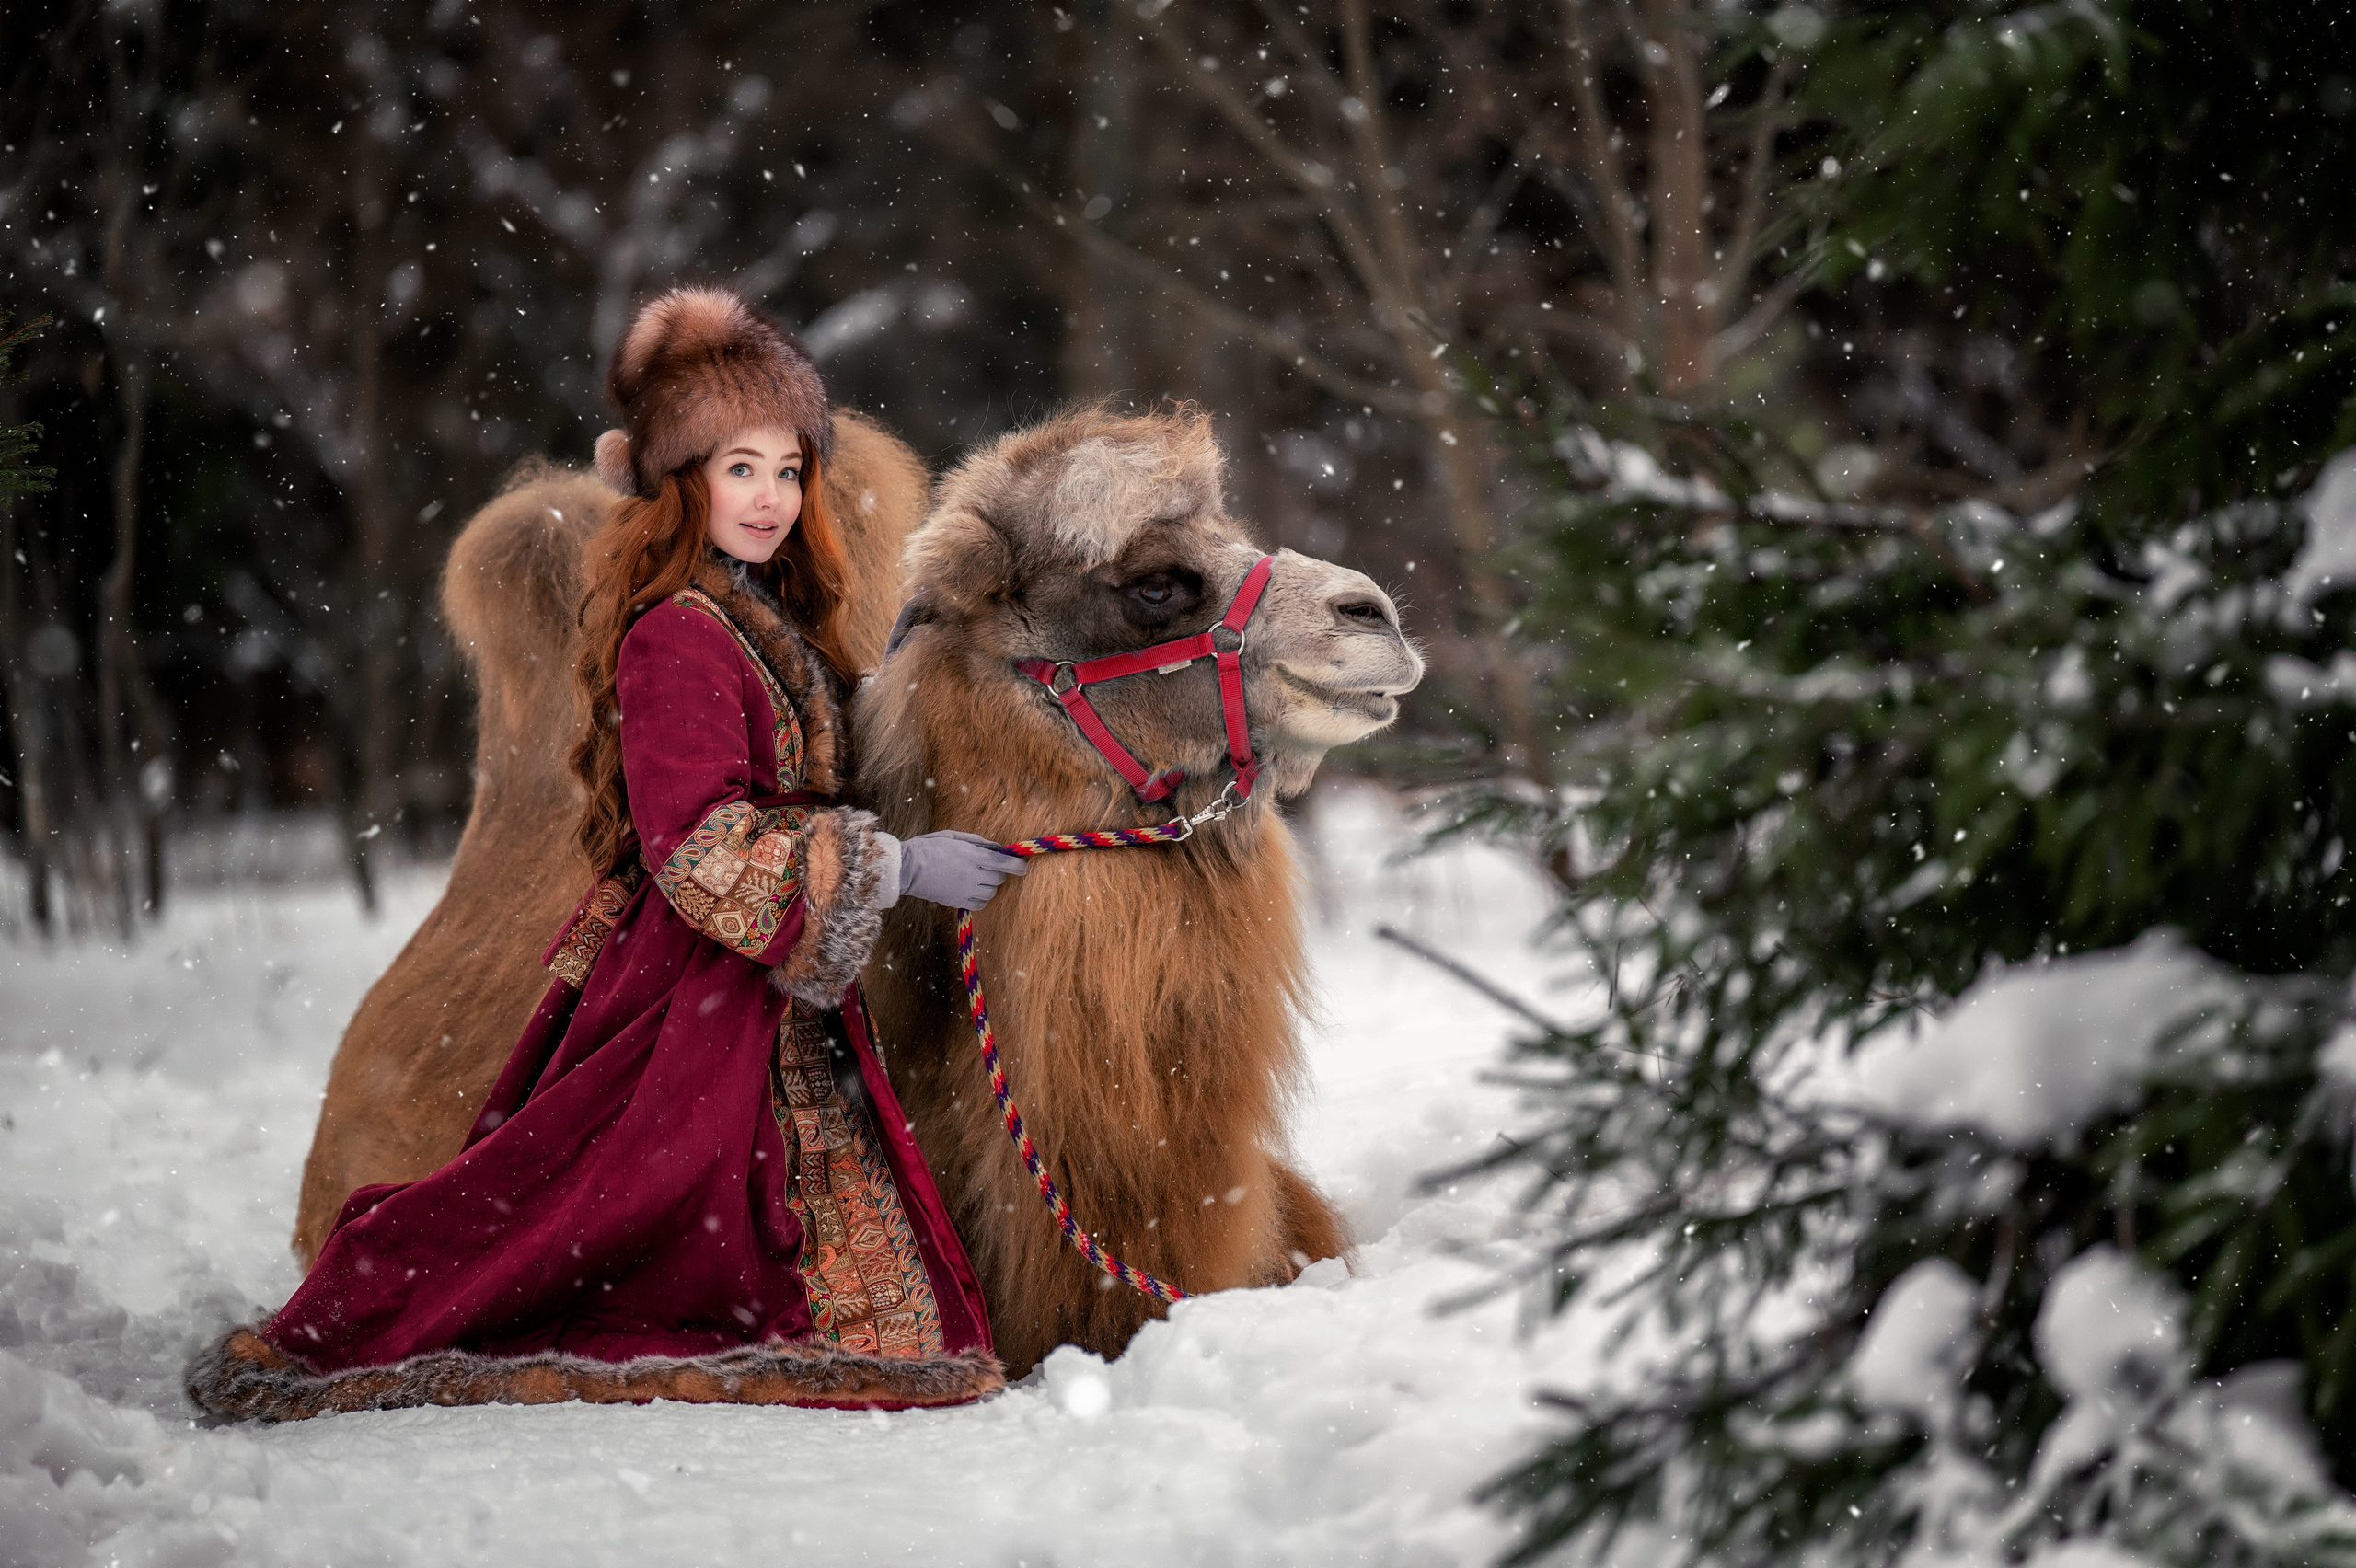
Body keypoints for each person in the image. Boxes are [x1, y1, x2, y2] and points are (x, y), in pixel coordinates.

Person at [189, 289, 1021, 1419]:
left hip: (766, 978)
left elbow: (806, 764)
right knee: (605, 1218)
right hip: (697, 981)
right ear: (680, 480)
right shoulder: (678, 633)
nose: (770, 498)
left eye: (788, 470)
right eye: (739, 468)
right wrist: (898, 870)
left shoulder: (761, 619)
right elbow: (699, 846)